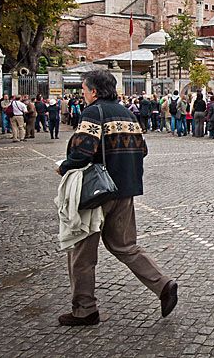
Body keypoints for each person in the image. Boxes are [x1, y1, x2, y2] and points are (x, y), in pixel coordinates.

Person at [56, 69, 177, 326]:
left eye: (85, 89)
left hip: (97, 192)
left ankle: (84, 309)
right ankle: (163, 284)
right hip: (125, 190)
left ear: (95, 91)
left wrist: (64, 166)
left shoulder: (93, 112)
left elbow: (82, 151)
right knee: (126, 246)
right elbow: (142, 149)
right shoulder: (128, 114)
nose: (83, 94)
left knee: (82, 254)